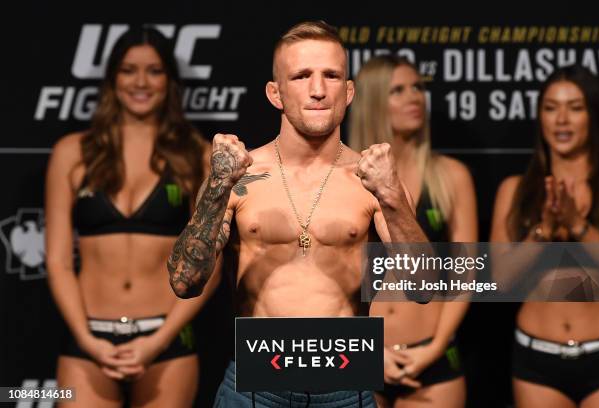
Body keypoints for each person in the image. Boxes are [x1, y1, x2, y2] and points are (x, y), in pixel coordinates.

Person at [167, 21, 429, 407]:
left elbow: (424, 288)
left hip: (346, 387)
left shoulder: (374, 180)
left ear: (350, 91)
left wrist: (392, 197)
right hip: (254, 387)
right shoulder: (240, 175)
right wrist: (219, 186)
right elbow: (183, 281)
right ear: (276, 93)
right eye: (302, 76)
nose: (319, 90)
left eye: (332, 75)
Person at [45, 26, 212, 407]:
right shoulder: (71, 153)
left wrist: (157, 341)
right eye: (128, 70)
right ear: (112, 79)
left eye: (154, 71)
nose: (141, 82)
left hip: (167, 341)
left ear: (170, 80)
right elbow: (57, 262)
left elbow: (209, 267)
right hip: (87, 342)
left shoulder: (196, 155)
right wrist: (87, 340)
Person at [349, 55, 476, 408]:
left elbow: (466, 273)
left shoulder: (451, 176)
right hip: (360, 355)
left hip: (431, 357)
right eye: (398, 90)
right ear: (373, 101)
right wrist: (365, 350)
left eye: (418, 87)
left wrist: (436, 346)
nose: (414, 97)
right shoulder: (345, 177)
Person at [490, 65, 599, 408]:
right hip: (536, 361)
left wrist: (578, 227)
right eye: (550, 107)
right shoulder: (514, 190)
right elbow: (500, 281)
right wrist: (542, 232)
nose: (562, 120)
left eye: (575, 108)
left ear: (594, 115)